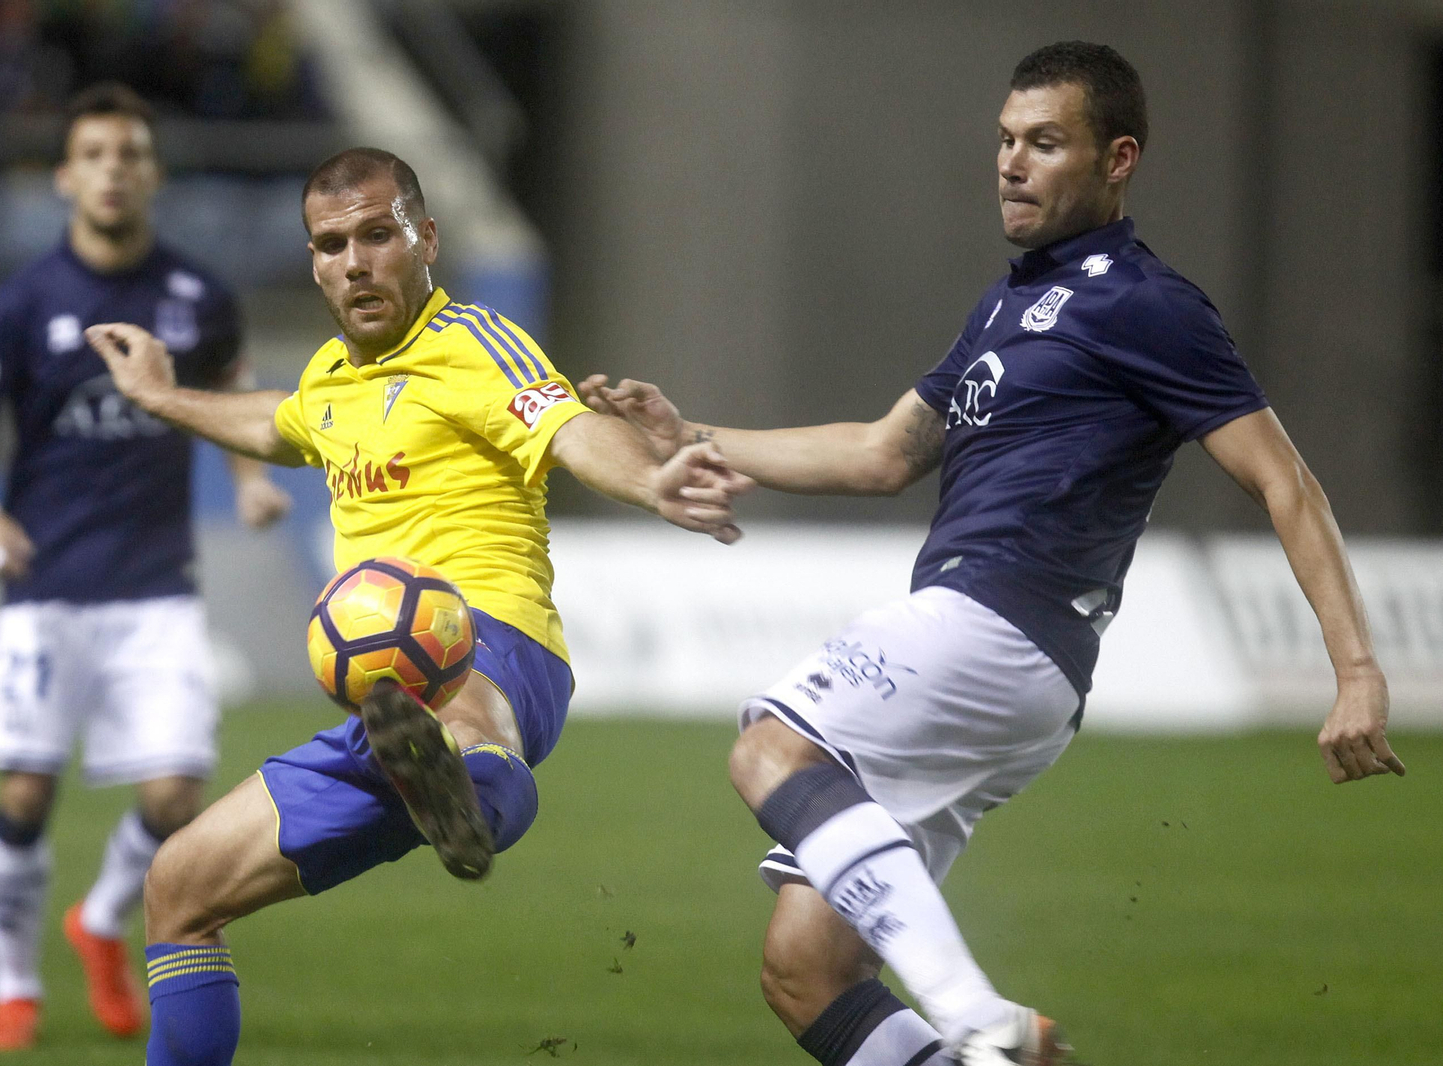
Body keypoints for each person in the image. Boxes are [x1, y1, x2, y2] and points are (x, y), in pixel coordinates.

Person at [581, 40, 1404, 1066]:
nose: (1011, 162)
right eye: (1007, 140)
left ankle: (973, 1012)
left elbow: (1285, 479)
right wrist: (689, 435)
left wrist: (1357, 669)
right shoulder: (1006, 305)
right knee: (805, 967)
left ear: (1118, 159)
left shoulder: (1144, 302)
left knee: (773, 745)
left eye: (1045, 142)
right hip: (1005, 661)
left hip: (1003, 621)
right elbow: (882, 454)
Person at [82, 146, 750, 1066]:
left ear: (424, 238)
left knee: (456, 710)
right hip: (388, 702)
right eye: (329, 244)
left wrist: (654, 481)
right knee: (178, 888)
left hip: (494, 646)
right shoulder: (331, 379)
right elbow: (274, 422)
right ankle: (444, 781)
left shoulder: (473, 342)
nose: (354, 261)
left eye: (375, 234)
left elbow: (571, 429)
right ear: (313, 262)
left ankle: (475, 791)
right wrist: (160, 394)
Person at [0, 83, 292, 1052]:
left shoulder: (196, 297)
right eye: (92, 153)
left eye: (129, 153)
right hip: (44, 590)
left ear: (153, 174)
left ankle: (96, 918)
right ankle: (14, 989)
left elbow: (226, 397)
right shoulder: (23, 303)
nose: (112, 170)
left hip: (157, 589)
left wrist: (249, 480)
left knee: (176, 795)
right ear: (63, 175)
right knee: (23, 793)